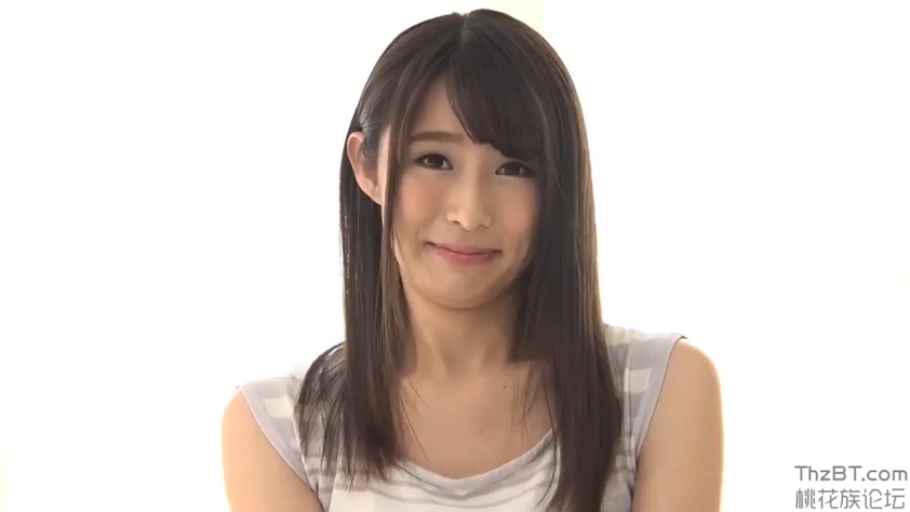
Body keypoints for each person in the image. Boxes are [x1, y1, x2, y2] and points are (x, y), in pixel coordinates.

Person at [221, 8, 723, 512]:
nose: (469, 212)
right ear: (366, 166)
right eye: (434, 160)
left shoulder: (657, 390)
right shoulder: (281, 428)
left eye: (514, 168)